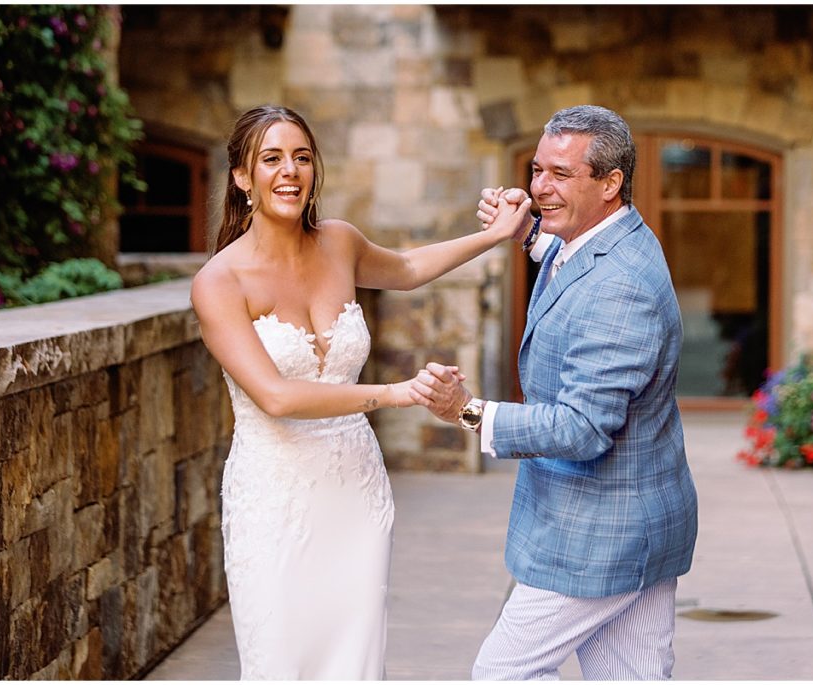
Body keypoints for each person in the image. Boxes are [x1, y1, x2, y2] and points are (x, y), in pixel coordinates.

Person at [189, 104, 530, 680]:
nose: (290, 171)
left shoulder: (339, 243)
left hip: (356, 492)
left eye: (301, 157)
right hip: (275, 500)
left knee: (354, 663)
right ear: (242, 177)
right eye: (271, 159)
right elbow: (276, 396)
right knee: (280, 664)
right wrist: (398, 394)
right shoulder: (219, 283)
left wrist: (493, 235)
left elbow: (408, 266)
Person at [411, 105, 699, 680]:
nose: (540, 187)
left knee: (501, 673)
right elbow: (569, 261)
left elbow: (582, 427)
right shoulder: (609, 240)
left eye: (560, 175)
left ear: (610, 183)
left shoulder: (620, 287)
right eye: (537, 170)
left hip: (602, 535)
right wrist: (526, 234)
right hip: (629, 525)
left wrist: (467, 412)